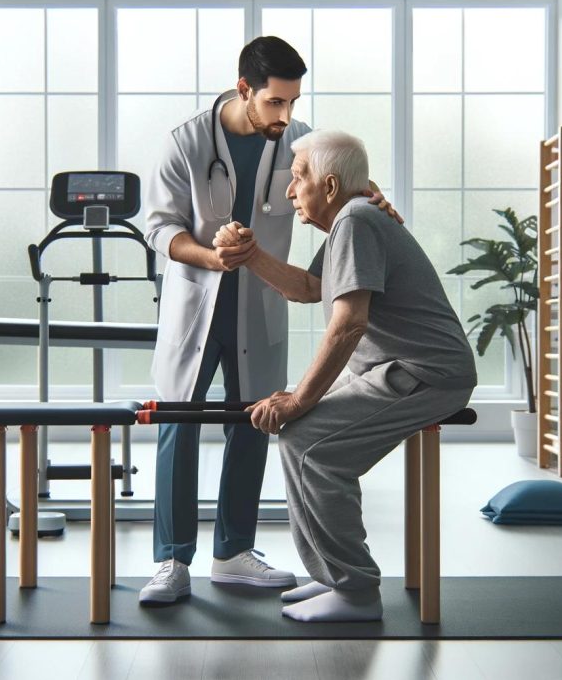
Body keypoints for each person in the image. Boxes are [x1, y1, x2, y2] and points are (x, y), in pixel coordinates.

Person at [141, 37, 401, 606]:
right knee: (178, 423)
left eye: (293, 102)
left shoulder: (299, 140)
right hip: (196, 303)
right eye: (275, 102)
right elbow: (159, 228)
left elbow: (342, 190)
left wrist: (373, 200)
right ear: (244, 90)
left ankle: (233, 553)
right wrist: (213, 258)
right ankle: (171, 561)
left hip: (260, 301)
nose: (285, 115)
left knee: (254, 420)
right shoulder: (186, 142)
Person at [213, 129, 477, 622]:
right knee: (300, 435)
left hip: (427, 371)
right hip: (394, 367)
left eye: (298, 178)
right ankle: (335, 576)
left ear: (330, 186)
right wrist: (250, 257)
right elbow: (309, 287)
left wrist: (298, 400)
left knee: (309, 444)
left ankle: (355, 590)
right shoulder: (349, 222)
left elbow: (349, 323)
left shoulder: (356, 219)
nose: (290, 191)